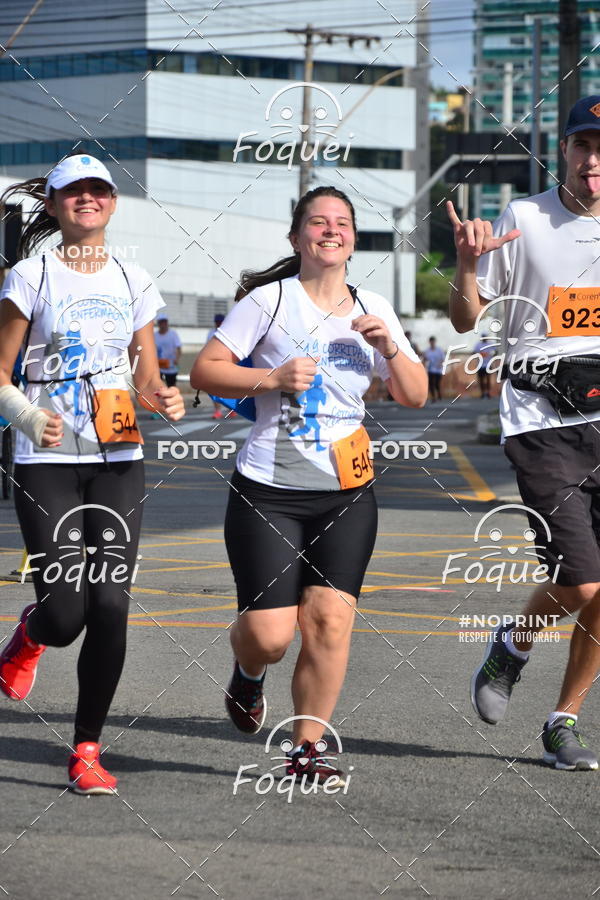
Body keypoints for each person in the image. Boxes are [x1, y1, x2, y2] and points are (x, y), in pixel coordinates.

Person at [191, 185, 426, 783]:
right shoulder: (268, 301)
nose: (330, 230)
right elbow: (204, 370)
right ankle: (249, 673)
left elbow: (416, 394)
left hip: (347, 491)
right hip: (268, 490)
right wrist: (271, 377)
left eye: (341, 222)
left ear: (354, 239)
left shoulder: (373, 307)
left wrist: (389, 346)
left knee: (329, 621)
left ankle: (306, 749)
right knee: (270, 637)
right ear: (296, 237)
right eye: (317, 222)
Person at [0, 154, 185, 794]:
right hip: (46, 458)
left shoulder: (134, 278)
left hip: (118, 456)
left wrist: (162, 396)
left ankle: (86, 749)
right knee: (65, 614)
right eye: (72, 191)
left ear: (112, 202)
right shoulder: (30, 275)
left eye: (98, 189)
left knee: (110, 604)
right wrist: (26, 417)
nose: (87, 198)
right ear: (53, 205)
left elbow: (146, 375)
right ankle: (31, 635)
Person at [447, 95, 600, 771]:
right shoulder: (525, 218)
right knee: (584, 583)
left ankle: (563, 720)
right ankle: (513, 642)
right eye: (583, 145)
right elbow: (465, 320)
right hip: (542, 424)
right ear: (564, 149)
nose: (593, 161)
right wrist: (467, 264)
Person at [205, 313, 232, 419]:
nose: (219, 324)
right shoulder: (211, 333)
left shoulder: (229, 332)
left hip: (227, 363)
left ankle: (231, 409)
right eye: (217, 322)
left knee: (228, 387)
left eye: (220, 322)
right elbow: (207, 348)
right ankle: (217, 411)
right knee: (214, 388)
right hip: (214, 364)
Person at [154, 316, 181, 388]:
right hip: (158, 365)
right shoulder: (155, 335)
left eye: (165, 322)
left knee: (171, 386)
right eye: (161, 322)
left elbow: (178, 348)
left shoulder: (173, 334)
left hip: (170, 366)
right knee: (157, 386)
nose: (163, 324)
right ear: (158, 324)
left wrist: (177, 359)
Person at [473, 332, 494, 398]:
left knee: (488, 379)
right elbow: (474, 352)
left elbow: (495, 352)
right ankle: (482, 393)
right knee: (481, 379)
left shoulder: (490, 344)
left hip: (488, 364)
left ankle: (488, 392)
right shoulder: (478, 345)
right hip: (480, 365)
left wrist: (491, 354)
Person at [423, 335, 444, 401]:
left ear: (435, 342)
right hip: (430, 369)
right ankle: (433, 397)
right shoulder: (427, 350)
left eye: (433, 341)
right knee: (431, 383)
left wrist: (440, 364)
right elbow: (425, 359)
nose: (432, 343)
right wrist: (424, 363)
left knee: (437, 383)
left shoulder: (439, 350)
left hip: (438, 369)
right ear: (429, 342)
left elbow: (442, 358)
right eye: (431, 341)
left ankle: (439, 394)